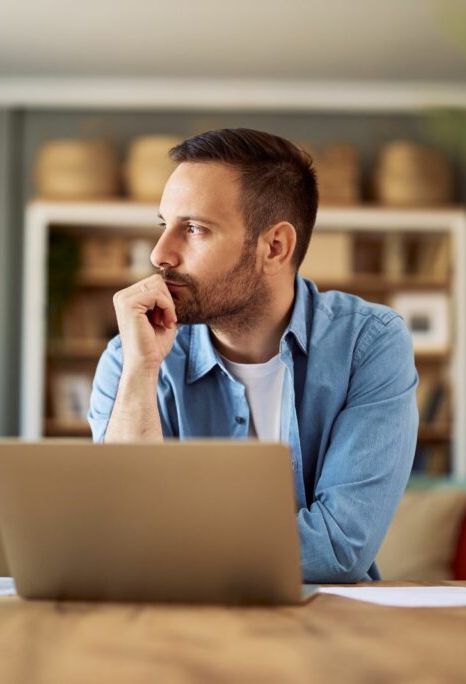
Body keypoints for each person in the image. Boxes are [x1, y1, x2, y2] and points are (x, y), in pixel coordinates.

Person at [87, 128, 418, 583]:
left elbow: (338, 550)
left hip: (323, 631)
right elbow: (116, 533)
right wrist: (140, 374)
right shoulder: (132, 354)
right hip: (167, 629)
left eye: (195, 229)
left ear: (275, 246)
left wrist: (165, 542)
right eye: (164, 226)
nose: (160, 254)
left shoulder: (369, 345)